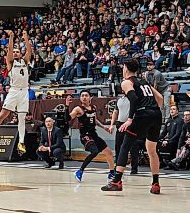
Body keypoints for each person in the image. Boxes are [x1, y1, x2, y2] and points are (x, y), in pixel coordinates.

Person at [101, 58, 163, 193]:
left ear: (126, 69)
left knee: (125, 145)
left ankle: (117, 181)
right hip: (156, 115)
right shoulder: (144, 82)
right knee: (151, 150)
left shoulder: (126, 82)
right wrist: (153, 110)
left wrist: (130, 119)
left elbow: (134, 98)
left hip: (142, 114)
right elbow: (160, 98)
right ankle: (155, 184)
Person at [0, 30, 32, 154]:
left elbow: (29, 51)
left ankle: (21, 143)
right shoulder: (10, 63)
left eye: (17, 51)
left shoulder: (25, 61)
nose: (15, 53)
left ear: (20, 53)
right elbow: (9, 50)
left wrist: (26, 38)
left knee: (22, 118)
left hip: (24, 92)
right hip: (14, 91)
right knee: (3, 114)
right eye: (14, 52)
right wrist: (11, 37)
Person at [68, 90, 115, 182]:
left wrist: (104, 127)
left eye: (86, 95)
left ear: (90, 98)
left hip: (94, 134)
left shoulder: (93, 107)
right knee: (95, 151)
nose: (84, 97)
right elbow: (68, 118)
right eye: (82, 96)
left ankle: (112, 172)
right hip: (85, 135)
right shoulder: (78, 109)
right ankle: (79, 171)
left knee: (108, 152)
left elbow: (95, 120)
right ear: (80, 98)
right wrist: (66, 106)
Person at [108, 94, 139, 174]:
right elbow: (115, 112)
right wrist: (112, 125)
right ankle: (117, 166)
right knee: (118, 146)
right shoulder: (119, 99)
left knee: (133, 147)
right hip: (120, 124)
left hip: (131, 124)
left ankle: (134, 168)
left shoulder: (133, 97)